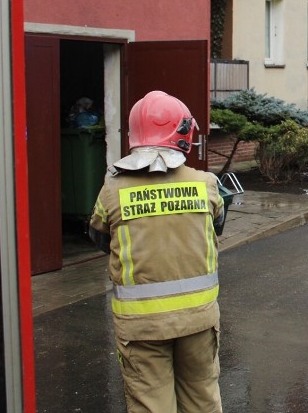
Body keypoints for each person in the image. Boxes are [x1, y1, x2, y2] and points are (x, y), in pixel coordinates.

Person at [88, 90, 226, 413]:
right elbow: (218, 222)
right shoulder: (205, 183)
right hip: (199, 321)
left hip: (142, 328)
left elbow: (97, 234)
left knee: (152, 406)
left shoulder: (113, 189)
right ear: (181, 135)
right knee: (203, 400)